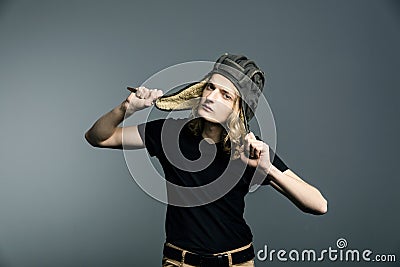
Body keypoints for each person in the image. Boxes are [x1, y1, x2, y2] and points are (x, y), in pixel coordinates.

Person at [85, 54, 328, 267]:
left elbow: (319, 205)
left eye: (225, 95)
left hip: (238, 261)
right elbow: (98, 137)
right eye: (209, 88)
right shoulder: (168, 134)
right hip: (181, 261)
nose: (211, 97)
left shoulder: (250, 150)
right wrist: (126, 108)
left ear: (238, 109)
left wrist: (268, 170)